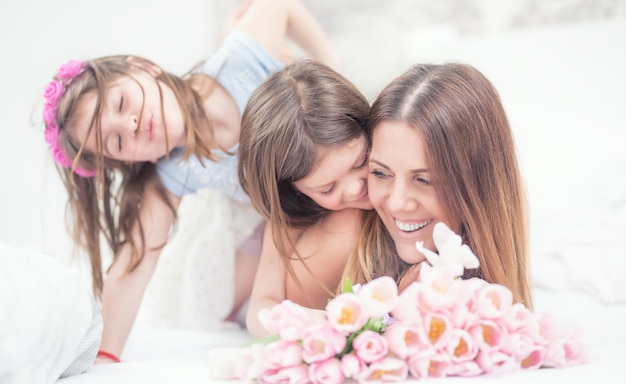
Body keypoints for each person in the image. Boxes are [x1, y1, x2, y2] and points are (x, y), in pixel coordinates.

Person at [41, 0, 339, 363]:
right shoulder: (171, 172)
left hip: (330, 179)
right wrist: (105, 357)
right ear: (134, 161)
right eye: (118, 142)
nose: (131, 125)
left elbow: (278, 6)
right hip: (288, 219)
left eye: (120, 103)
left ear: (144, 67)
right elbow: (132, 266)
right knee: (245, 303)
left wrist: (329, 67)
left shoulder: (237, 63)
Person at [343, 62, 533, 309]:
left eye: (424, 180)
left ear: (478, 186)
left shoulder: (502, 232)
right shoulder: (347, 235)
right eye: (380, 173)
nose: (397, 202)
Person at [237, 59, 372, 337]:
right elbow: (260, 308)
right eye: (328, 189)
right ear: (294, 189)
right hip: (252, 283)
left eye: (361, 162)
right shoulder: (287, 218)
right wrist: (311, 321)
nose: (355, 188)